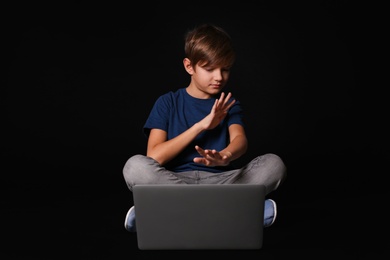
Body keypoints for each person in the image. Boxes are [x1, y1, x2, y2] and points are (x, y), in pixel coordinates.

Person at [122, 23, 287, 232]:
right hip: (173, 182)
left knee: (273, 164)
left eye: (225, 69)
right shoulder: (167, 102)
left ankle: (156, 212)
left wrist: (226, 155)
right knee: (135, 166)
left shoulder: (229, 104)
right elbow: (154, 157)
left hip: (221, 184)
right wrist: (201, 126)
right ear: (189, 66)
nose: (219, 77)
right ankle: (240, 211)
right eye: (210, 69)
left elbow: (240, 141)